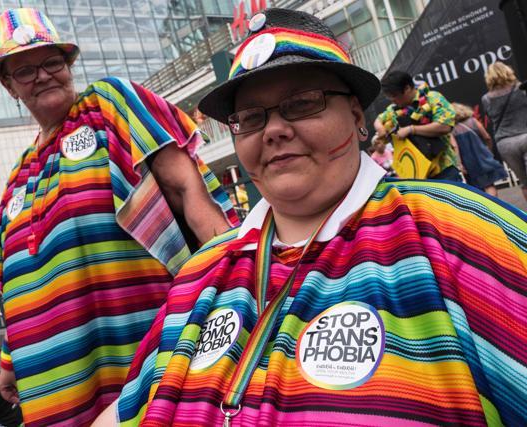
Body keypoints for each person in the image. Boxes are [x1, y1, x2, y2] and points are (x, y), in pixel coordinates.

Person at [97, 8, 527, 426]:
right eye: (250, 117)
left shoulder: (457, 232)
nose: (273, 129)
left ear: (357, 117)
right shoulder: (198, 275)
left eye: (302, 103)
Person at [0, 8, 236, 426]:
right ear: (8, 85)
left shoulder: (107, 105)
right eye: (25, 70)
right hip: (51, 384)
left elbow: (188, 187)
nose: (43, 75)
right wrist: (9, 357)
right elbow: (16, 279)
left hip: (136, 352)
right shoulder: (18, 177)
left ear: (68, 65)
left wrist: (237, 282)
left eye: (52, 62)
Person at [374, 71, 460, 181]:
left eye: (395, 96)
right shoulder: (393, 110)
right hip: (418, 175)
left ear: (407, 88)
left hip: (443, 169)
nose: (393, 100)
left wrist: (411, 129)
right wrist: (380, 129)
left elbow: (444, 126)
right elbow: (378, 120)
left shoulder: (432, 98)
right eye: (390, 98)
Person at [482, 61, 527, 202]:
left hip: (505, 143)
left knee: (524, 183)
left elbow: (491, 117)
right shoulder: (520, 89)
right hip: (525, 136)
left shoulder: (486, 99)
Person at [450, 102, 507, 196]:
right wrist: (489, 150)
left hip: (468, 162)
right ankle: (493, 206)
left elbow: (455, 146)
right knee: (489, 185)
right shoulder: (473, 121)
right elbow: (487, 137)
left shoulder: (452, 129)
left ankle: (486, 208)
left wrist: (459, 164)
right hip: (483, 157)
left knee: (477, 189)